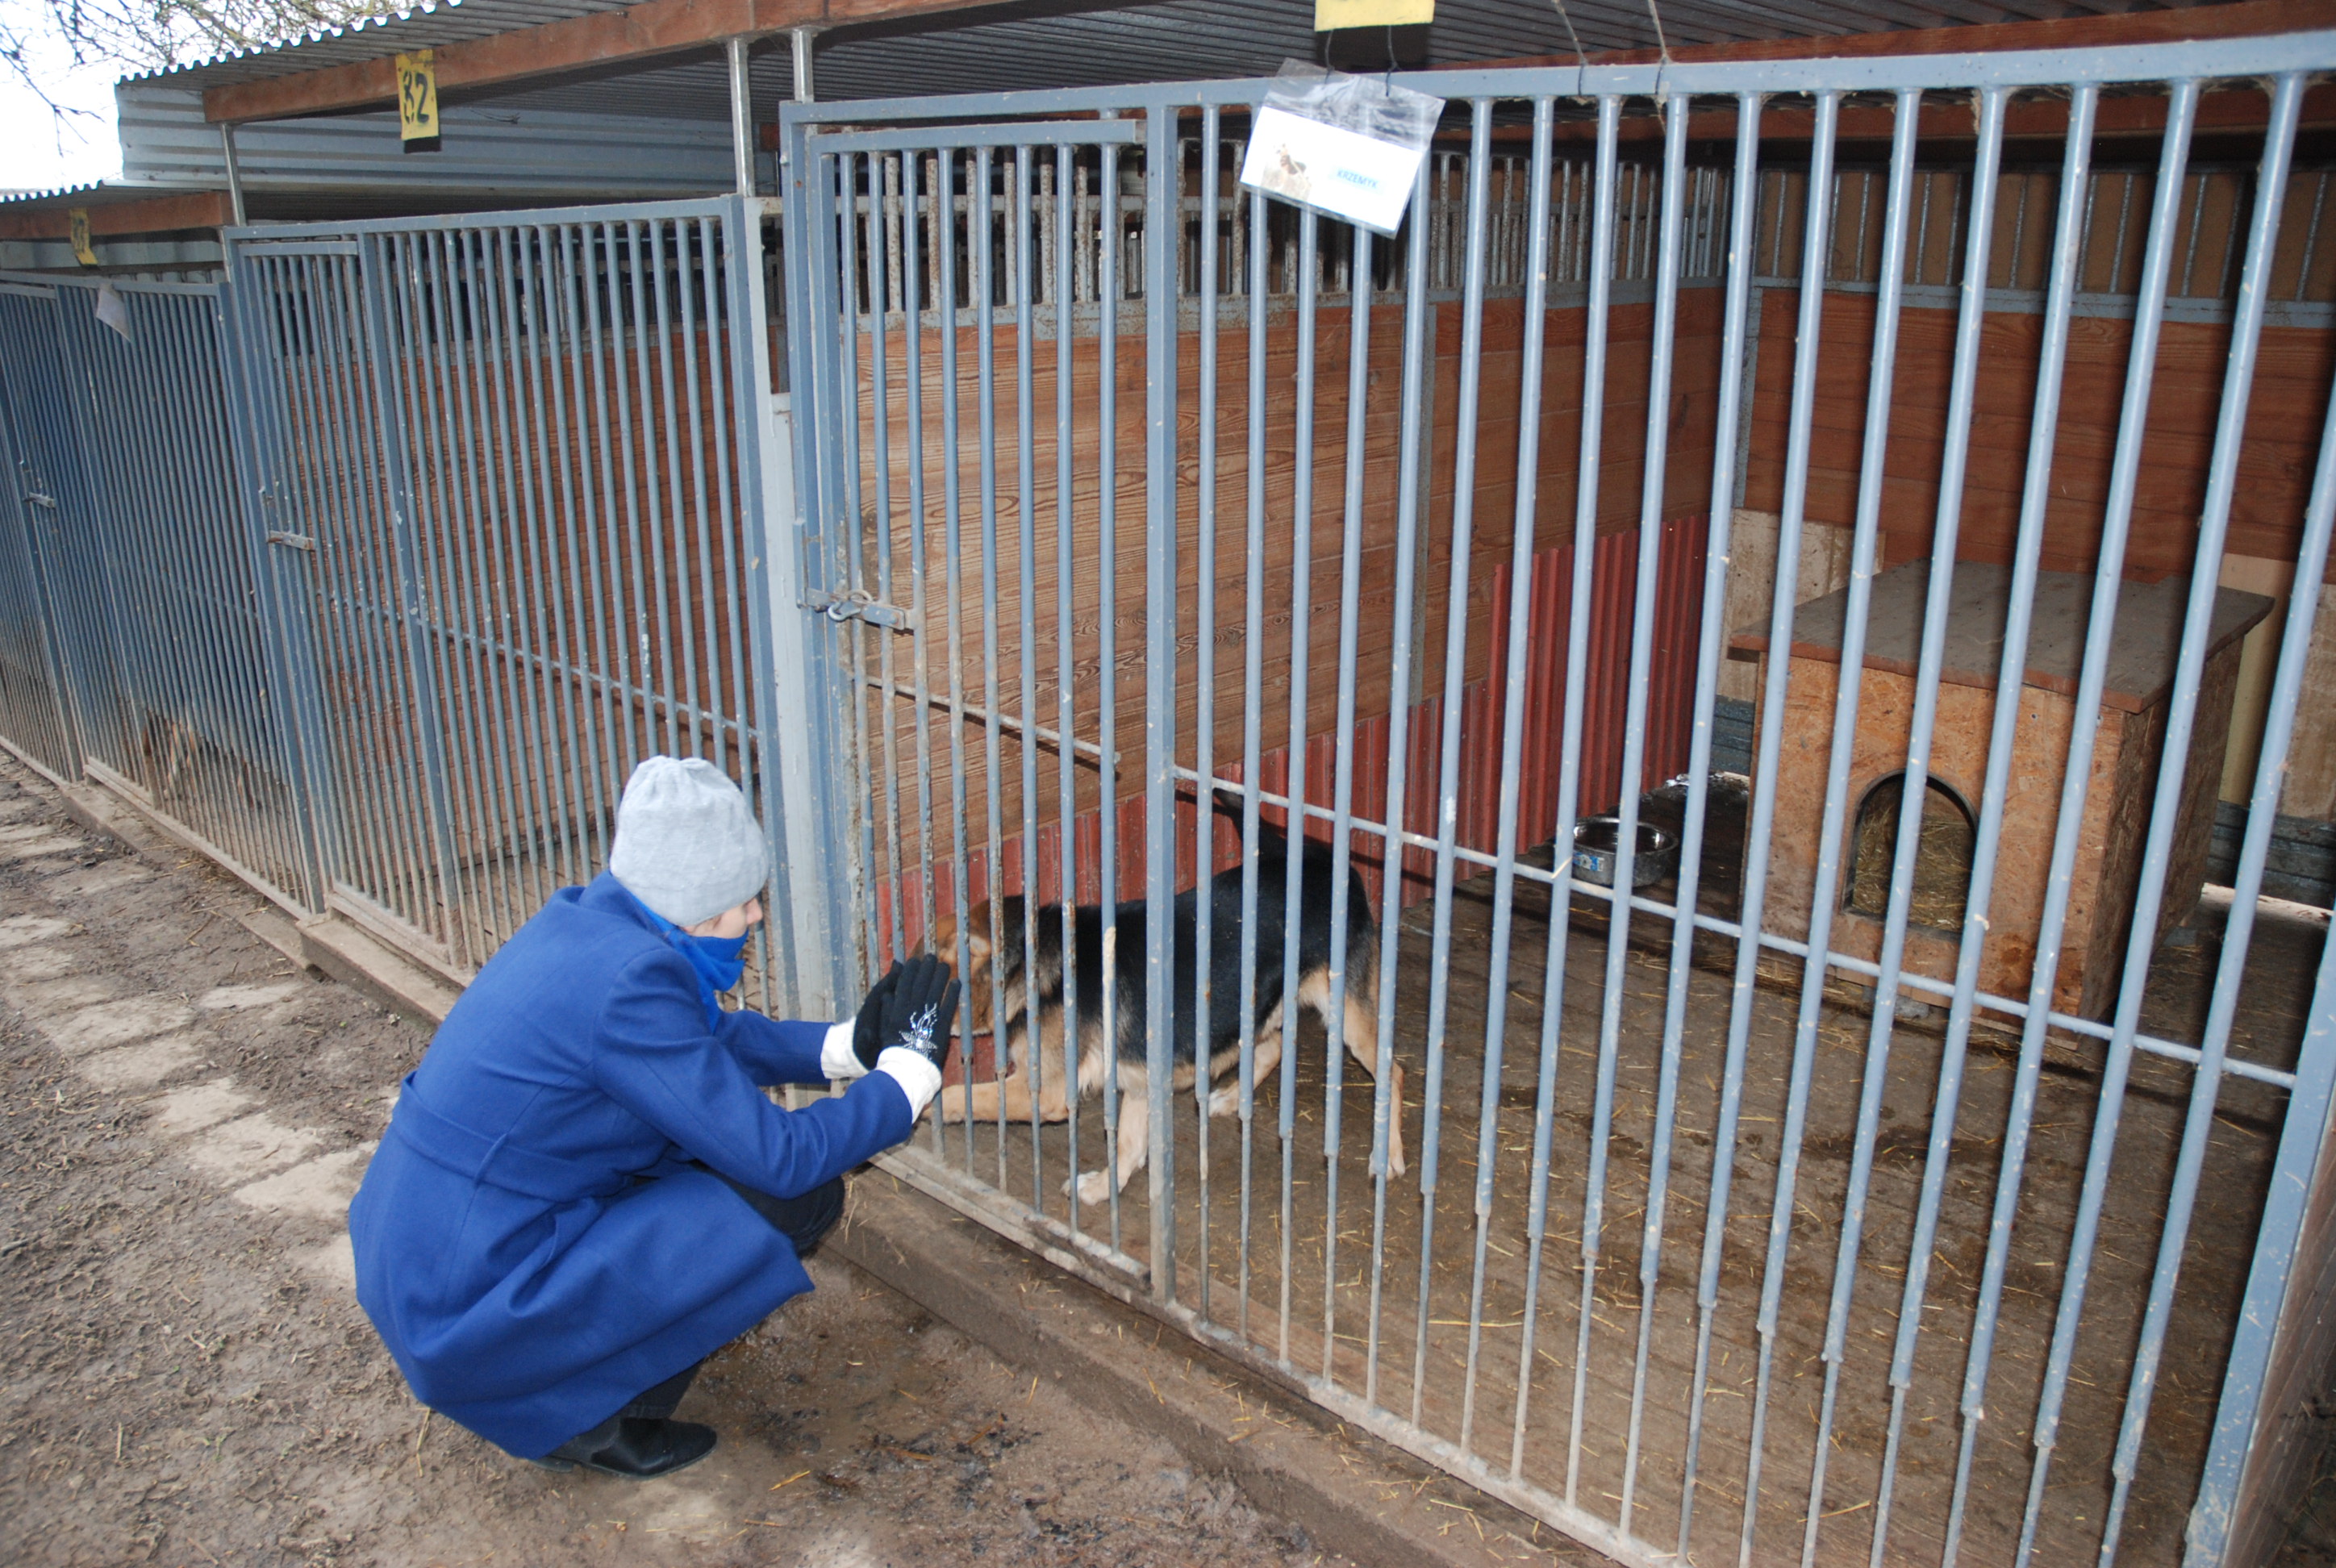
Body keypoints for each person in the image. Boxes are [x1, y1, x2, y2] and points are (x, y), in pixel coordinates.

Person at [348, 755, 957, 1480]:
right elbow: (783, 1157)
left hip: (430, 1255)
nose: (756, 916)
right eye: (744, 904)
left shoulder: (595, 924)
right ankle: (593, 1420)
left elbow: (697, 1043)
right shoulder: (630, 984)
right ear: (695, 914)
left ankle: (586, 1375)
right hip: (474, 1301)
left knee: (715, 1165)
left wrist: (845, 1047)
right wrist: (906, 1081)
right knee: (789, 1197)